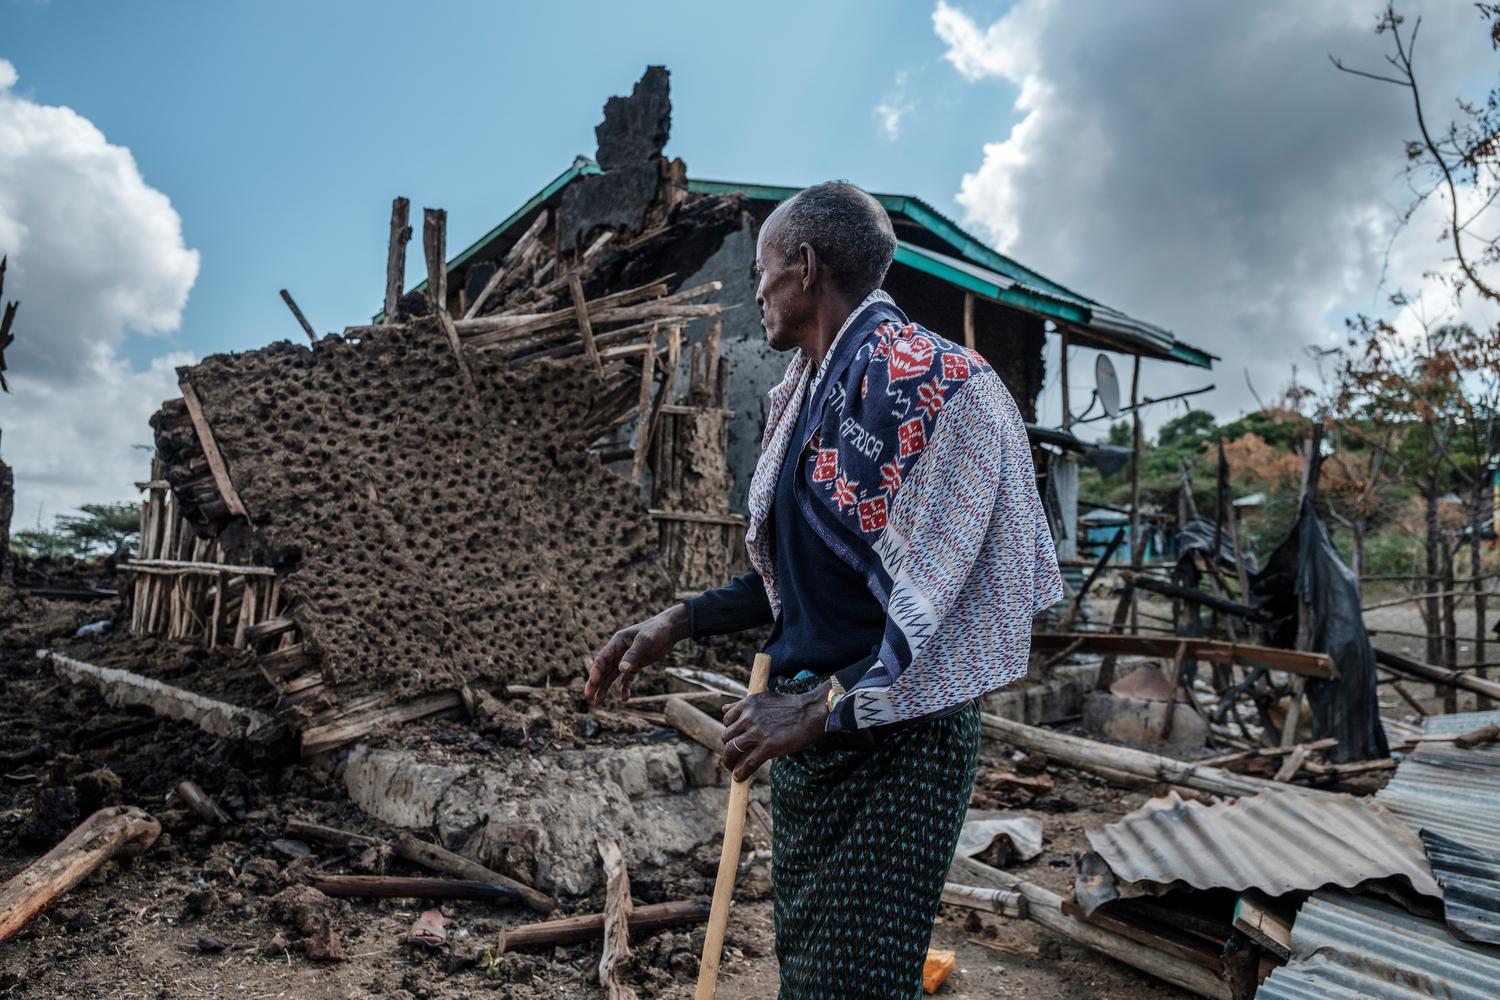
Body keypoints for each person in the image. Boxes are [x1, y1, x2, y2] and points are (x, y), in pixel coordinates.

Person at [585, 181, 1062, 998]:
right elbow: (797, 585)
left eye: (762, 271)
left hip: (896, 751)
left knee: (856, 986)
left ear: (804, 267)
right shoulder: (805, 399)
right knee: (812, 973)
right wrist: (677, 620)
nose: (755, 290)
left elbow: (943, 614)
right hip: (809, 743)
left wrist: (821, 706)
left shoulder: (947, 392)